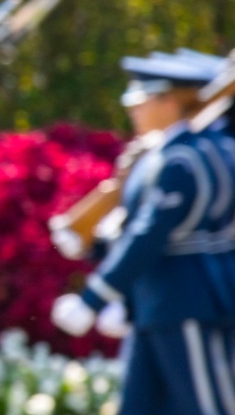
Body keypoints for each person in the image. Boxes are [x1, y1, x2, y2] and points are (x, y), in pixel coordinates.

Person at [51, 54, 235, 415]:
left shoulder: (181, 159)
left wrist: (95, 297)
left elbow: (150, 235)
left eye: (142, 100)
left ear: (169, 101)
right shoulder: (165, 153)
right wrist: (97, 245)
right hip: (155, 304)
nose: (134, 111)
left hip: (186, 300)